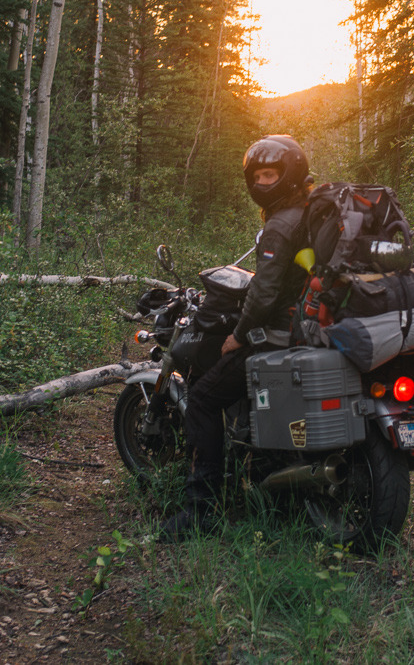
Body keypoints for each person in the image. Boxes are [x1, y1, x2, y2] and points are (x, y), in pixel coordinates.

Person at [160, 134, 314, 541]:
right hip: (311, 328)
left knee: (205, 401)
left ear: (291, 174)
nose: (264, 183)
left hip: (280, 333)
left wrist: (239, 334)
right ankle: (271, 489)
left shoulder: (281, 225)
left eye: (272, 174)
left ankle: (201, 510)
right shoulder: (308, 212)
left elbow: (263, 293)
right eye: (258, 175)